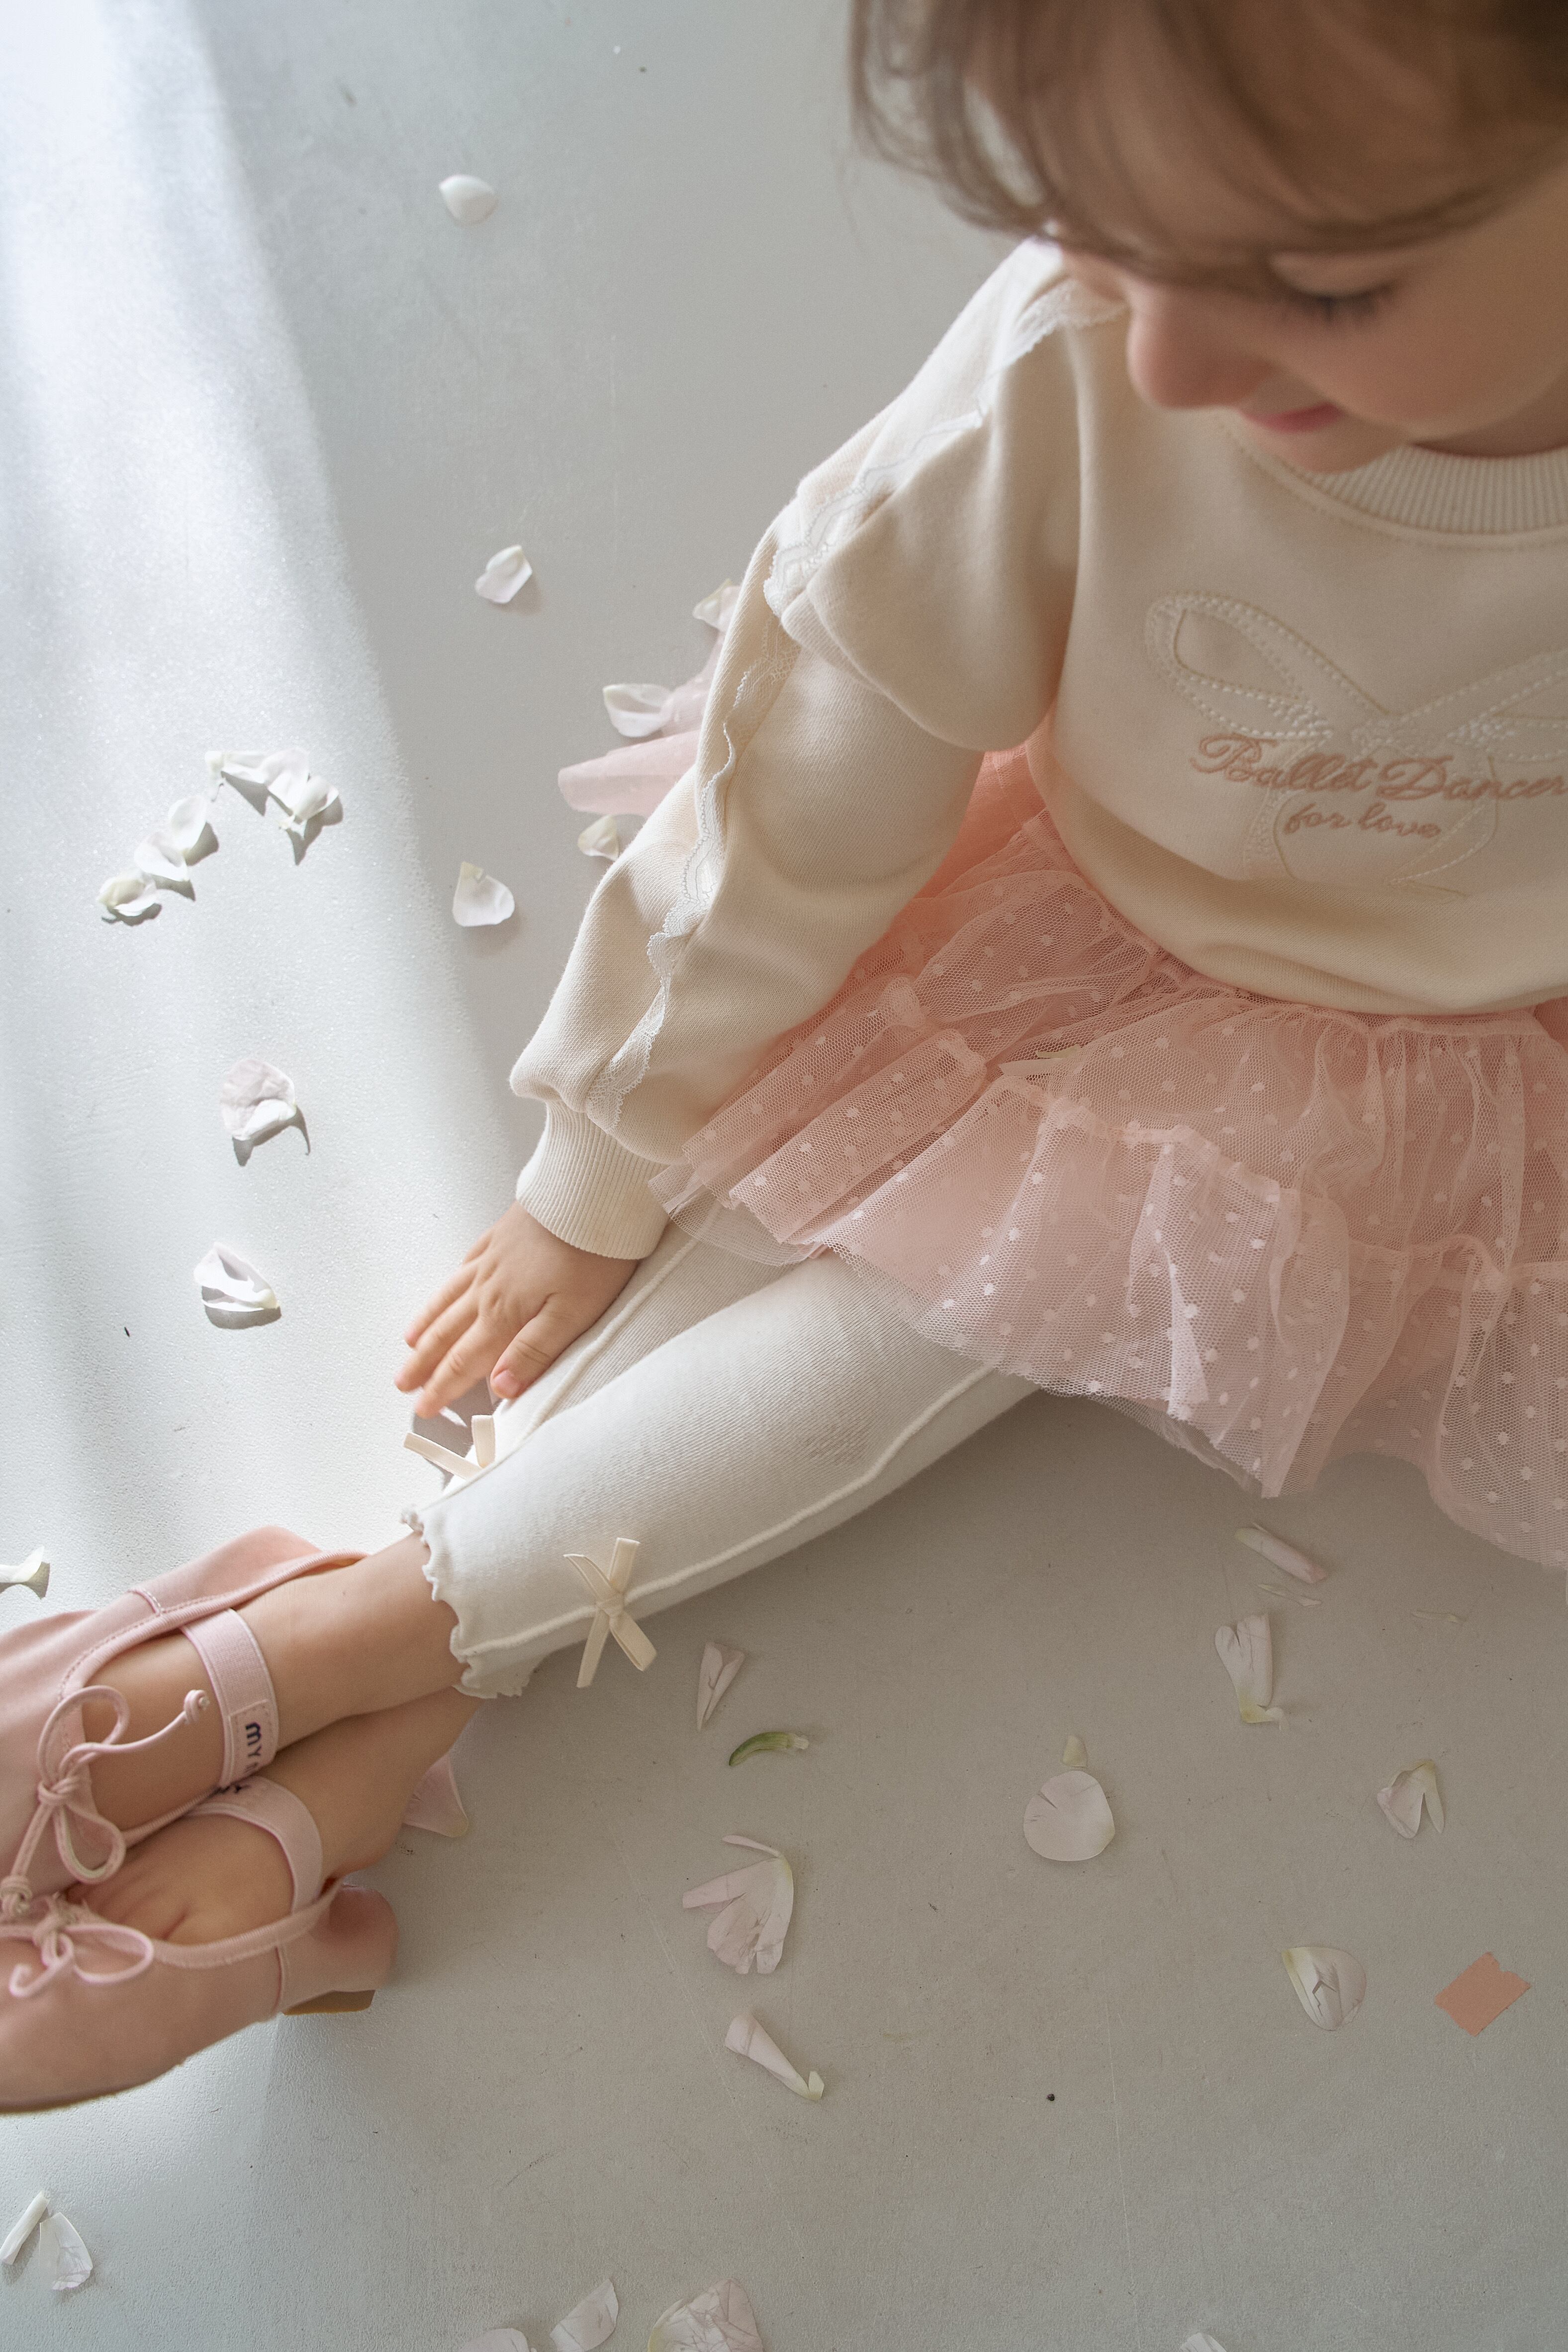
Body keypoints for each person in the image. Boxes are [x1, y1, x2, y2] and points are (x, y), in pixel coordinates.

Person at [9, 0, 1568, 2106]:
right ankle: (326, 1717)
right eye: (1106, 247)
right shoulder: (1077, 372)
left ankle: (299, 1672)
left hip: (1405, 1050)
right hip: (1082, 888)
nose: (1169, 362)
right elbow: (813, 765)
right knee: (789, 1187)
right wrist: (601, 1157)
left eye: (1320, 287)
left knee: (933, 1323)